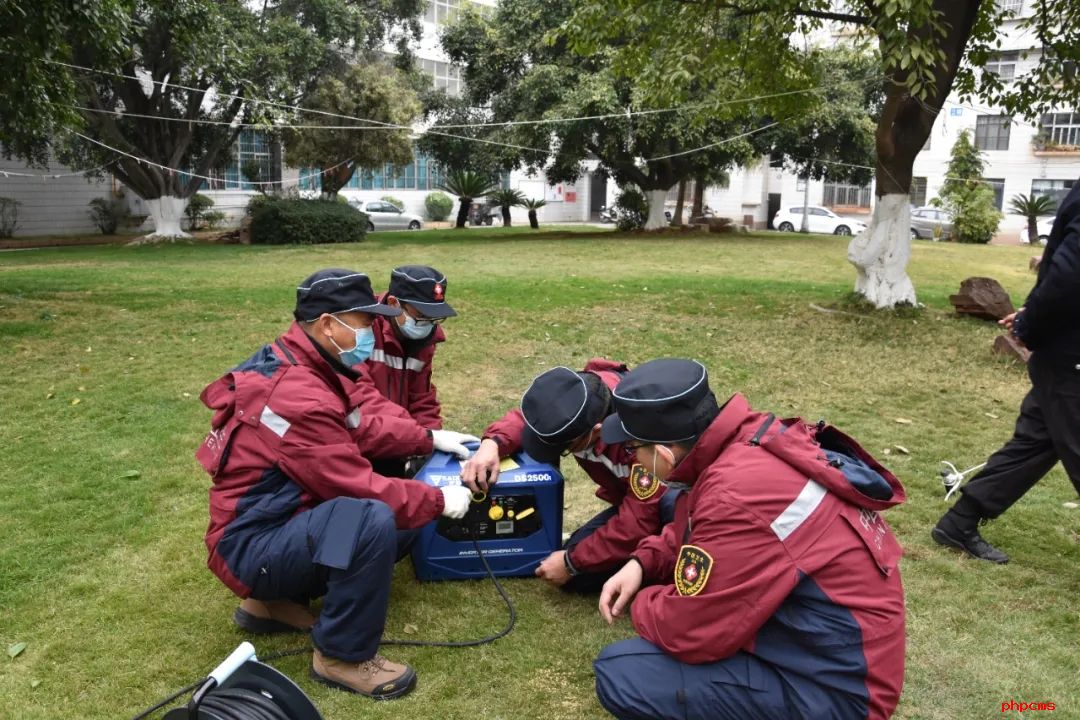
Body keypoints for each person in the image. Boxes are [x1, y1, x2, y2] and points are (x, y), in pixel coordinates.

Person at [195, 268, 473, 700]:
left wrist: (427, 438)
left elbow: (361, 428)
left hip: (272, 525)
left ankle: (270, 605)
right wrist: (437, 499)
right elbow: (357, 486)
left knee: (399, 522)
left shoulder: (312, 366)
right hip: (249, 546)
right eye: (365, 322)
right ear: (328, 324)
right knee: (370, 518)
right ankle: (340, 656)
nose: (371, 332)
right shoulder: (298, 395)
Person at [593, 359, 906, 720]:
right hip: (829, 654)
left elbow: (690, 631)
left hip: (838, 692)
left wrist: (643, 602)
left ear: (664, 453)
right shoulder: (743, 445)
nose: (634, 459)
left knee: (625, 675)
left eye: (633, 449)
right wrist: (642, 562)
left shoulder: (735, 494)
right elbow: (698, 527)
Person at [932, 178, 1080, 564]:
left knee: (1036, 441)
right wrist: (1032, 323)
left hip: (1065, 350)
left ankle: (960, 521)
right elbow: (1069, 276)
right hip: (1070, 353)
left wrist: (1032, 317)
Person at [461, 360, 677, 594]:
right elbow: (537, 419)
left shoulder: (641, 446)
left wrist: (571, 563)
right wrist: (493, 443)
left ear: (596, 431)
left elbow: (638, 520)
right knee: (574, 568)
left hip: (673, 506)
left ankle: (670, 565)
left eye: (565, 447)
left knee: (577, 570)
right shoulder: (579, 397)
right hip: (634, 502)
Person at [361, 265, 455, 430]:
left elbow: (421, 400)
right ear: (393, 304)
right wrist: (413, 432)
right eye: (421, 315)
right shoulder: (361, 330)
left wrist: (433, 435)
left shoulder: (425, 340)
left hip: (400, 433)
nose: (427, 324)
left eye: (433, 317)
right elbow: (360, 397)